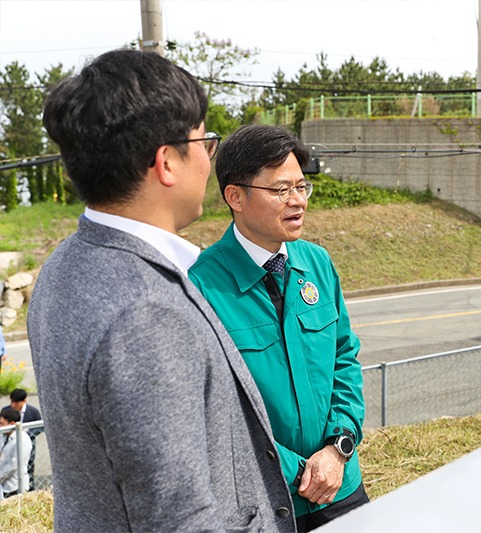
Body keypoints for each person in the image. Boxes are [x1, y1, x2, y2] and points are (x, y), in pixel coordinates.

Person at [28, 50, 295, 532]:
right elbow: (178, 516)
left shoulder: (65, 264)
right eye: (204, 140)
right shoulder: (146, 313)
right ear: (167, 162)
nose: (209, 156)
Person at [189, 124, 368, 532]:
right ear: (235, 196)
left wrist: (338, 448)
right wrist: (299, 470)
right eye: (281, 190)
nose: (298, 201)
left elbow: (344, 358)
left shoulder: (317, 263)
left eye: (302, 187)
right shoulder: (201, 286)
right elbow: (221, 408)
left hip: (340, 486)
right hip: (264, 503)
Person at [7, 388, 42, 490]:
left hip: (28, 444)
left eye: (16, 402)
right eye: (12, 402)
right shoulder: (7, 410)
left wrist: (28, 434)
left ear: (24, 401)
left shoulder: (33, 411)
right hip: (11, 443)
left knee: (29, 465)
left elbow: (40, 427)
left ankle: (30, 488)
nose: (13, 405)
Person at [0, 406, 32, 499]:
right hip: (4, 484)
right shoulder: (3, 435)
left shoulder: (22, 440)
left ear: (12, 424)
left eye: (2, 424)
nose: (0, 427)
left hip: (15, 486)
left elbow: (13, 466)